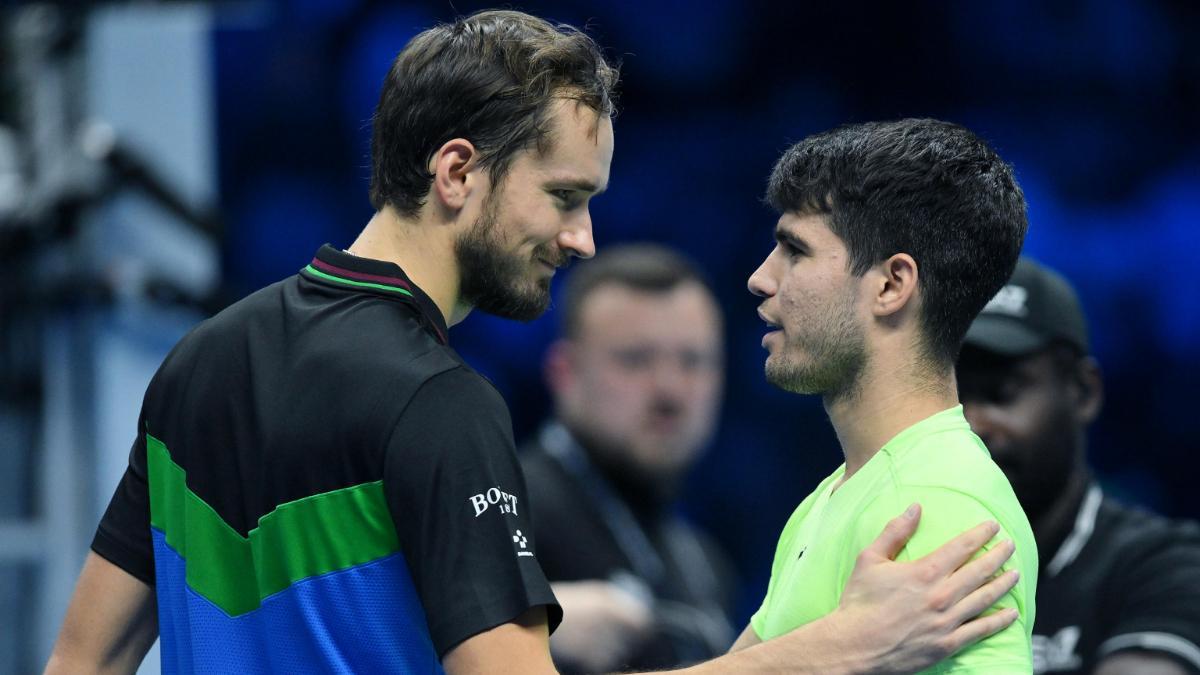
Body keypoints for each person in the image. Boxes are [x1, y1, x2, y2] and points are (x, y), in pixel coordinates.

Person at [45, 11, 1021, 674]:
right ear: (458, 171)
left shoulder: (199, 360)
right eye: (566, 197)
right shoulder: (436, 402)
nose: (583, 238)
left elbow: (80, 664)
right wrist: (830, 650)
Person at [738, 118, 1038, 673]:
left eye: (794, 251)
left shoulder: (936, 504)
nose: (761, 277)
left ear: (891, 285)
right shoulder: (832, 497)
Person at [958, 256, 1200, 675]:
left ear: (1083, 392)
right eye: (948, 396)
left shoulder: (1163, 565)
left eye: (1001, 392)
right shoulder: (883, 568)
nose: (971, 425)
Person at [520, 244, 735, 672]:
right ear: (564, 372)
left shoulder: (705, 565)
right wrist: (522, 629)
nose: (670, 391)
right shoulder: (501, 506)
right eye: (635, 359)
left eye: (693, 361)